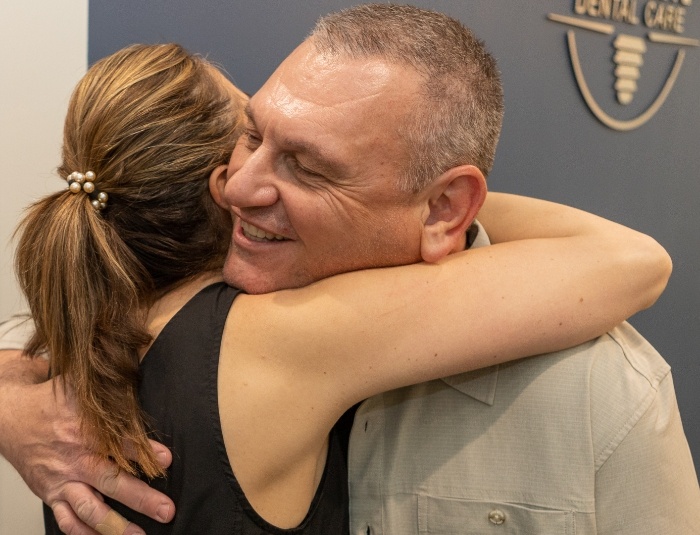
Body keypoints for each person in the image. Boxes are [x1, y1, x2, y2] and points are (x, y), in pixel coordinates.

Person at [0, 7, 677, 535]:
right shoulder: (277, 339)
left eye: (305, 162)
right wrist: (413, 203)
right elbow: (630, 261)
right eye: (251, 133)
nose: (243, 184)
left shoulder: (81, 326)